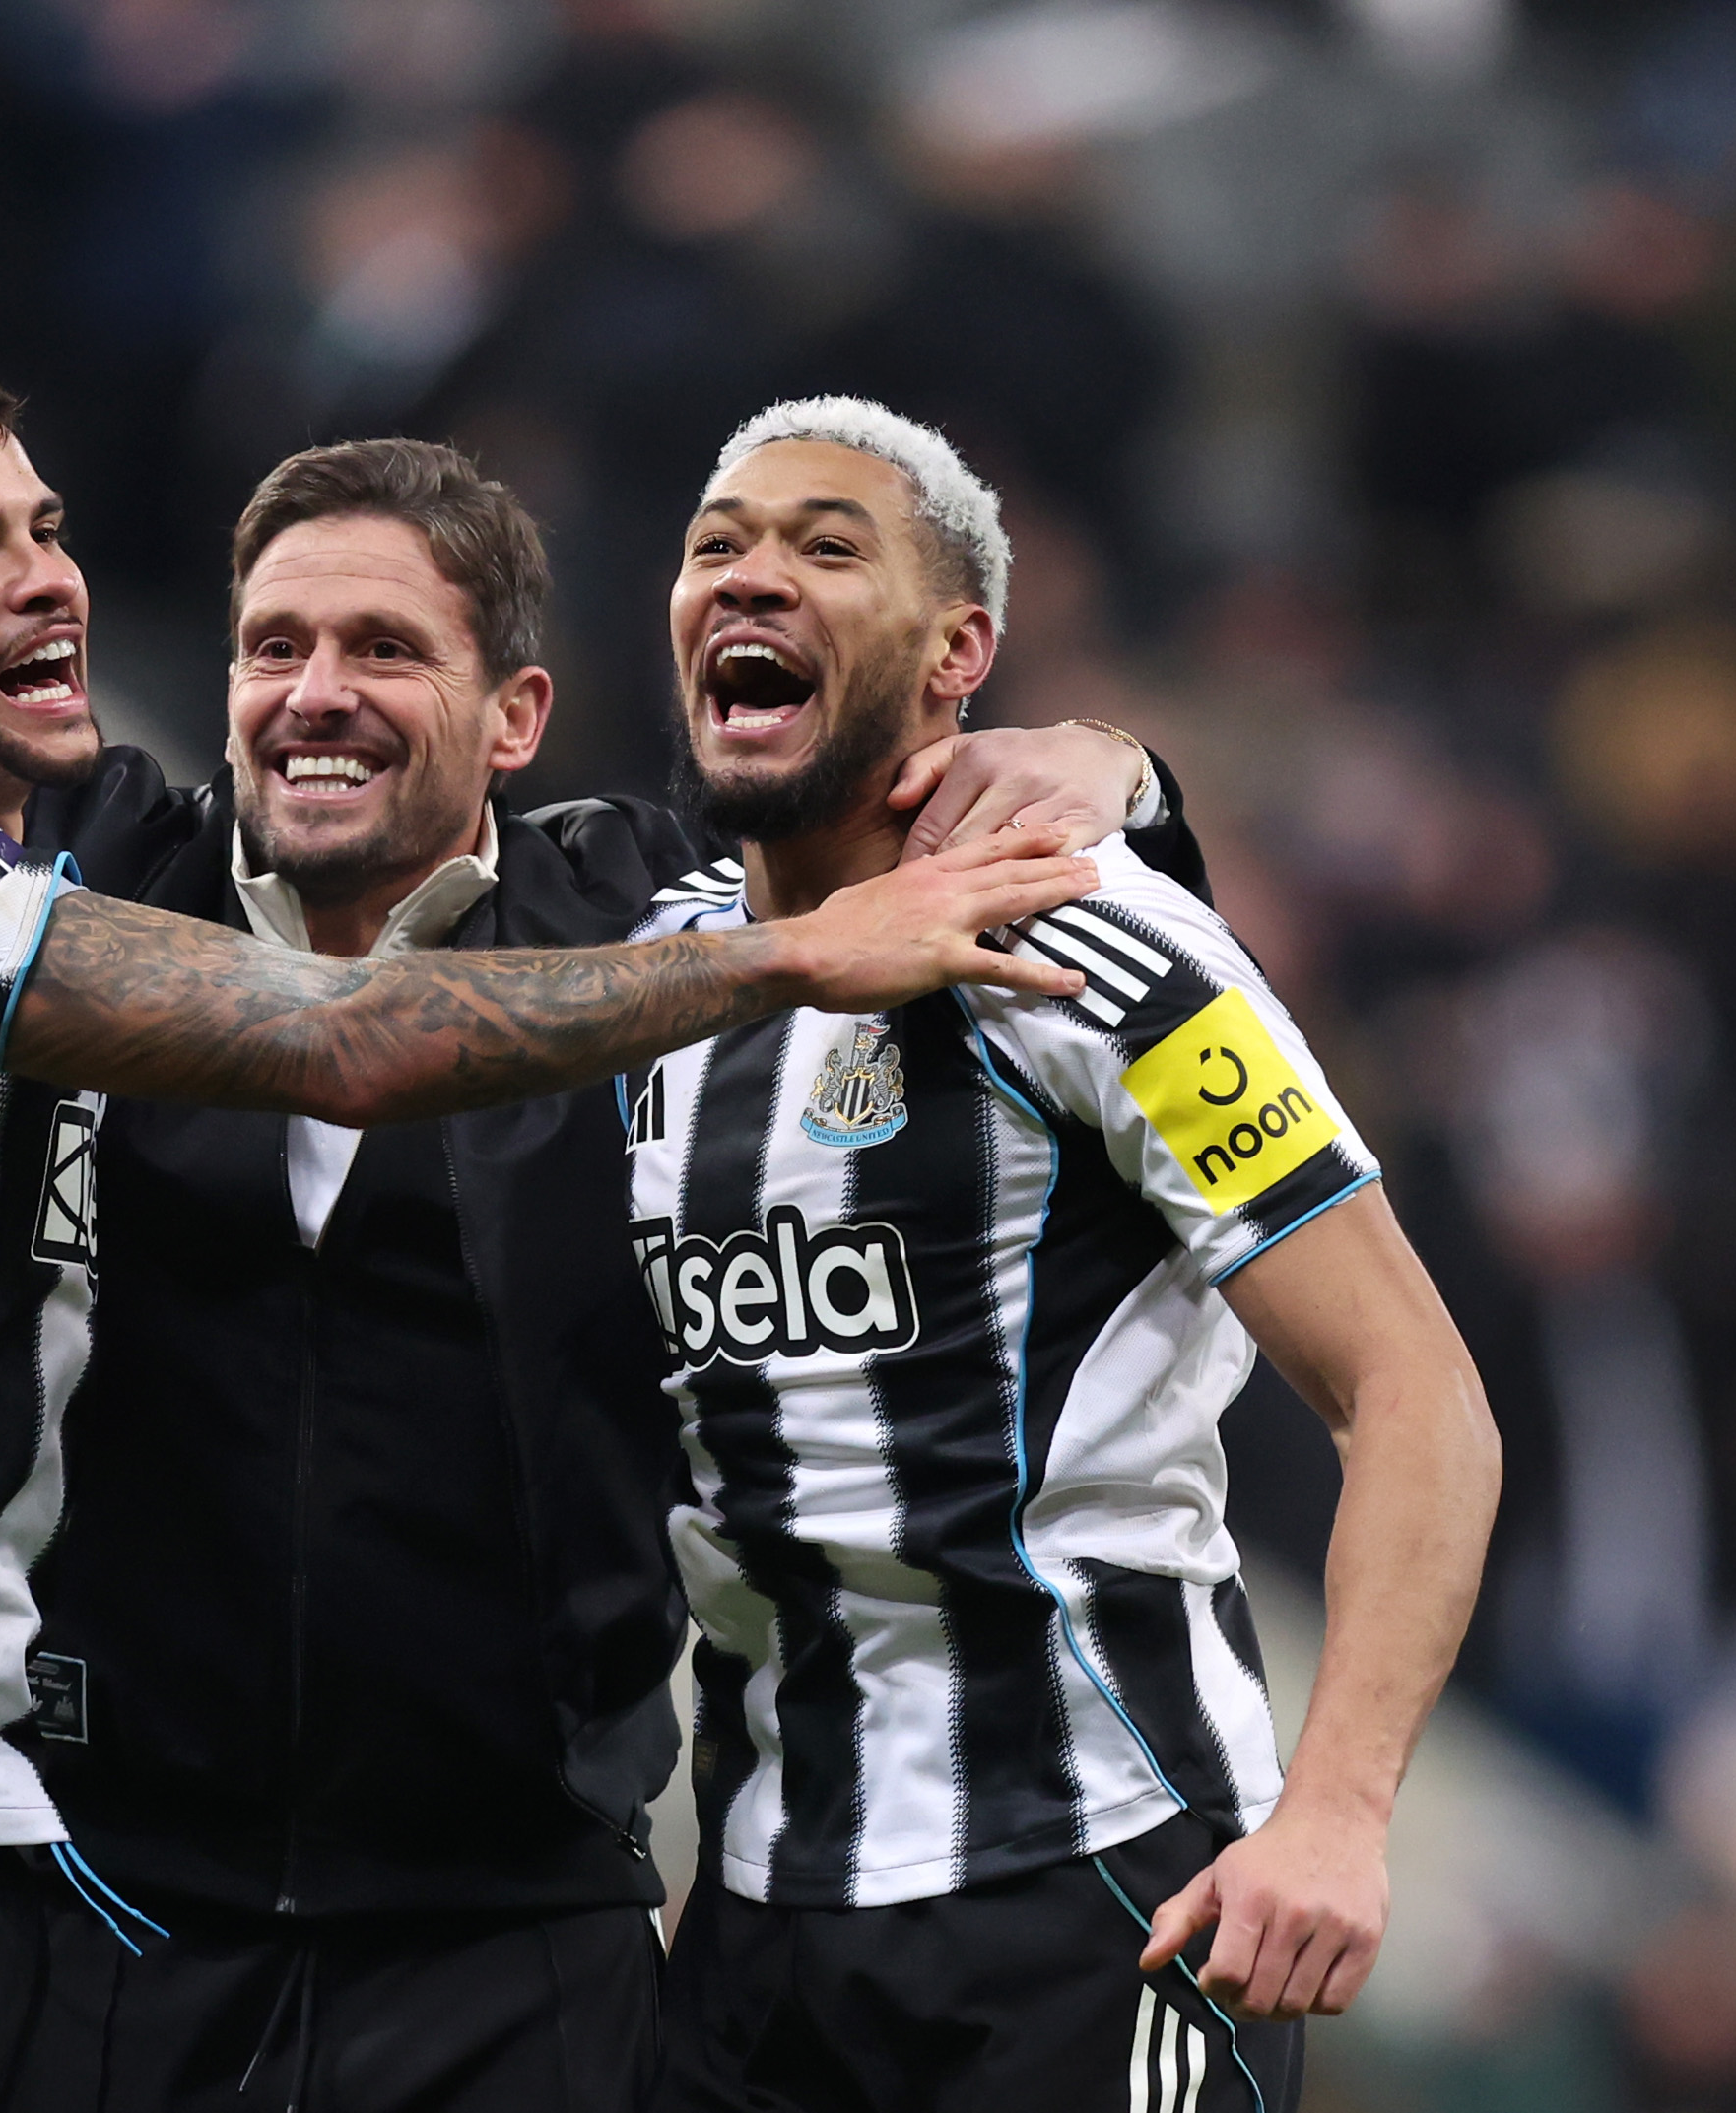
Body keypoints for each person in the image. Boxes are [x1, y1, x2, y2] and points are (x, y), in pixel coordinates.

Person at [0, 158, 1180, 2112]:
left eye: (381, 651)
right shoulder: (76, 882)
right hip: (112, 1912)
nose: (311, 697)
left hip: (512, 1926)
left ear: (515, 716)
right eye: (271, 648)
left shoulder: (656, 913)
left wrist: (1121, 776)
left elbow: (940, 845)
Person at [627, 398, 1502, 2108]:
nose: (750, 578)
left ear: (961, 652)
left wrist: (1332, 1812)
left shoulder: (1094, 937)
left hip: (1094, 1887)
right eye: (716, 544)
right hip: (753, 1921)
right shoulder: (638, 977)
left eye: (825, 546)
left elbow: (1415, 1390)